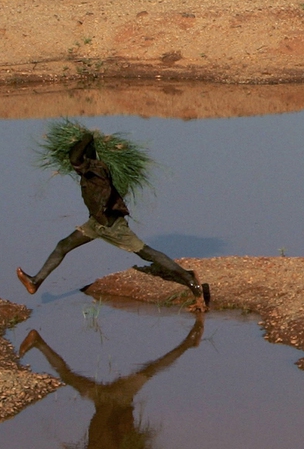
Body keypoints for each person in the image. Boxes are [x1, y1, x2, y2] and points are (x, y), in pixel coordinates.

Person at [17, 132, 210, 312]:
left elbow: (74, 157)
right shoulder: (90, 170)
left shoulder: (97, 170)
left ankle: (190, 279)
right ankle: (36, 281)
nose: (75, 165)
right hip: (96, 224)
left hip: (113, 226)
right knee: (63, 246)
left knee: (147, 254)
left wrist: (86, 136)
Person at [18, 314, 204, 449]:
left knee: (152, 369)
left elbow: (121, 426)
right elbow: (121, 426)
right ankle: (188, 342)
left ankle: (188, 342)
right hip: (115, 399)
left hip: (112, 400)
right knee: (152, 369)